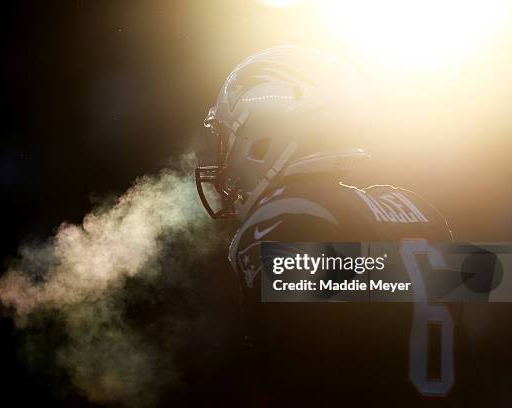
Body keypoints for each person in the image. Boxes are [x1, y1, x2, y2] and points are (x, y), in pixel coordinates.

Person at [195, 46, 489, 406]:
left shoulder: (285, 218)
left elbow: (304, 380)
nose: (223, 155)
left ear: (264, 133)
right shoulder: (416, 208)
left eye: (227, 136)